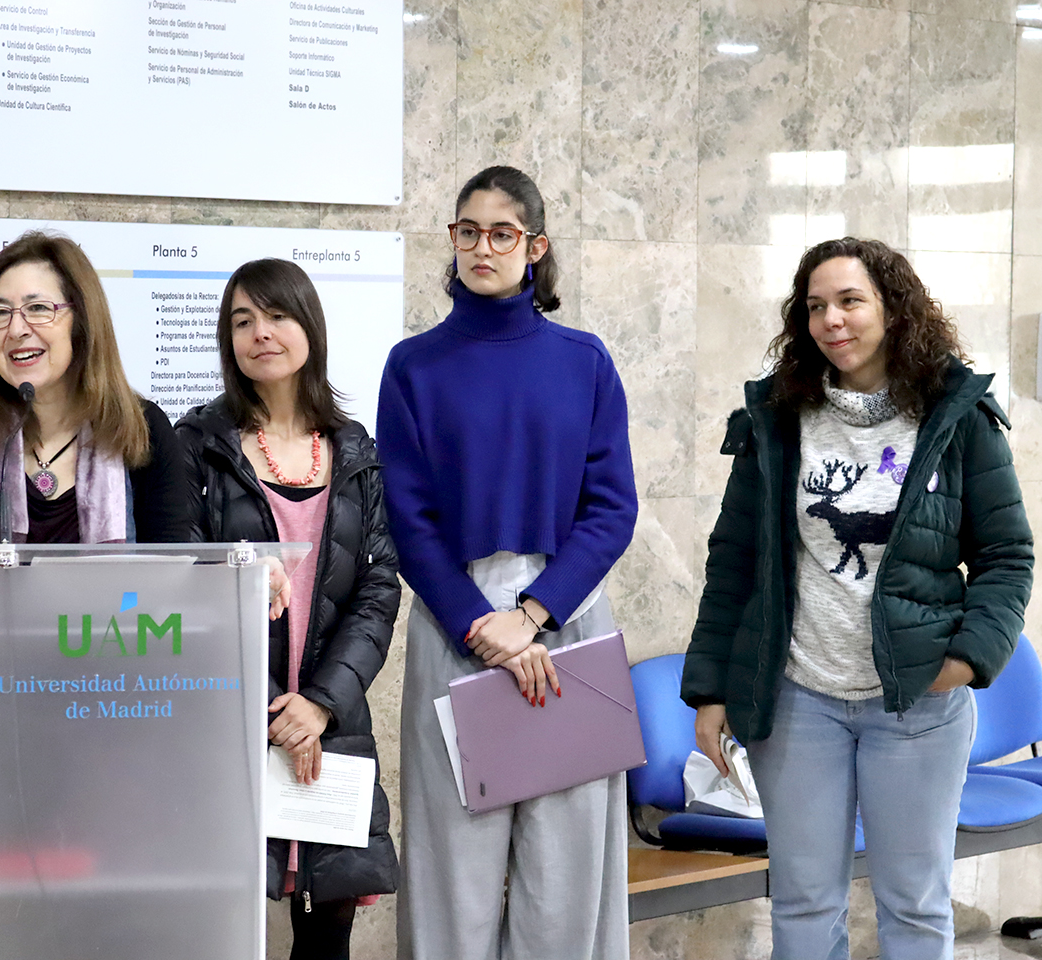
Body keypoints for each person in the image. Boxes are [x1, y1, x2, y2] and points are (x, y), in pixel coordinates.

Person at [682, 237, 1034, 960]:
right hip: (796, 700)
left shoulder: (958, 418)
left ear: (894, 309)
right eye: (815, 306)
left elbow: (1006, 556)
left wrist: (965, 660)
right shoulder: (775, 419)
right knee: (806, 907)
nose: (831, 321)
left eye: (850, 301)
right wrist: (711, 690)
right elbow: (734, 564)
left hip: (916, 705)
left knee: (913, 908)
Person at [0, 231, 194, 958]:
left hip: (109, 739)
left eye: (38, 308)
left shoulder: (142, 431)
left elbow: (181, 572)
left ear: (82, 320)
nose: (17, 328)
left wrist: (247, 579)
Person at [376, 166, 639, 960]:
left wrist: (531, 617)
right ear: (451, 241)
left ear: (536, 247)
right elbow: (408, 518)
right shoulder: (412, 366)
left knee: (565, 873)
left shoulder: (584, 360)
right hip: (458, 626)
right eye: (467, 231)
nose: (482, 247)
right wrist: (480, 624)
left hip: (567, 616)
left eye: (501, 233)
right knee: (453, 866)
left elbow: (612, 507)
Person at [175, 258, 400, 960]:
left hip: (333, 724)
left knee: (328, 931)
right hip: (232, 720)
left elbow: (378, 587)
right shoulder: (199, 447)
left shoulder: (355, 449)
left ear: (309, 326)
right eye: (242, 321)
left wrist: (321, 706)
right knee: (222, 926)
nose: (260, 333)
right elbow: (187, 586)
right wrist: (276, 710)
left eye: (276, 315)